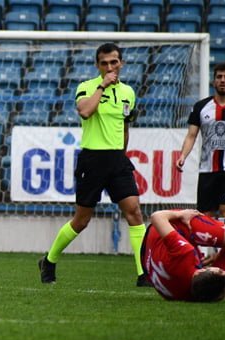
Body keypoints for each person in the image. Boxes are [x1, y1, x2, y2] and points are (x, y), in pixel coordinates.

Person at [38, 43, 148, 286]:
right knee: (82, 220)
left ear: (122, 63)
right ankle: (49, 260)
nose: (110, 67)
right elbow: (86, 112)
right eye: (104, 63)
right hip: (93, 160)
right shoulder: (86, 88)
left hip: (117, 159)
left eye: (114, 62)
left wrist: (122, 153)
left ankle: (144, 274)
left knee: (134, 212)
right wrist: (102, 85)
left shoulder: (129, 92)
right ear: (97, 65)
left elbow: (125, 125)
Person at [175, 63, 225, 220]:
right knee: (206, 216)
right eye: (219, 77)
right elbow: (192, 135)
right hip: (207, 170)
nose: (223, 80)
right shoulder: (201, 107)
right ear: (213, 81)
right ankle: (208, 245)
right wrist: (183, 155)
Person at [143, 209, 225, 302]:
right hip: (149, 261)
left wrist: (181, 214)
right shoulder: (192, 295)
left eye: (220, 271)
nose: (223, 272)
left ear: (201, 271)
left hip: (160, 230)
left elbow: (157, 217)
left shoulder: (185, 255)